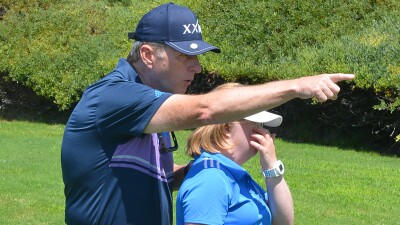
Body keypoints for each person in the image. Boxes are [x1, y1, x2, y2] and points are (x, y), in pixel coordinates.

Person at [61, 2, 354, 225]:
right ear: (149, 55)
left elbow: (158, 177)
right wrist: (297, 85)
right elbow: (205, 110)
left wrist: (210, 166)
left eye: (197, 57)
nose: (197, 67)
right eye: (185, 56)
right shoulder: (114, 97)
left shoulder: (150, 106)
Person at [176, 83, 294, 225]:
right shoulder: (211, 179)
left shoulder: (232, 174)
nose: (266, 133)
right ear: (226, 128)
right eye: (257, 125)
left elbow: (283, 222)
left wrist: (272, 168)